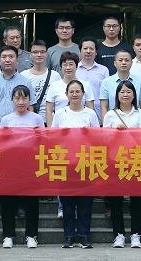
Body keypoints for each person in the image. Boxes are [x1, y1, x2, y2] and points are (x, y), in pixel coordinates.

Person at [52, 80, 99, 249]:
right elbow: (54, 137)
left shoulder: (90, 114)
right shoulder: (60, 113)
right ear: (66, 94)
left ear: (83, 94)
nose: (74, 94)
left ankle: (84, 235)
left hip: (86, 162)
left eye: (78, 91)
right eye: (71, 92)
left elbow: (97, 137)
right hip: (66, 162)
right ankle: (69, 236)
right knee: (67, 203)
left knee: (85, 203)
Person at [102, 80, 141, 249]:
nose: (125, 94)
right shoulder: (110, 115)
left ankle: (136, 234)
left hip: (136, 159)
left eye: (129, 91)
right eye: (122, 92)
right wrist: (116, 133)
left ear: (134, 95)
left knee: (137, 200)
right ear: (117, 95)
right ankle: (119, 234)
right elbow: (104, 139)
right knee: (116, 200)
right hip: (116, 160)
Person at [0, 85, 43, 249]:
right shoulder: (6, 119)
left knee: (32, 201)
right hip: (10, 165)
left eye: (24, 98)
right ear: (12, 100)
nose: (21, 102)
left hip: (31, 164)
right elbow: (1, 142)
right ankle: (8, 235)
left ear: (29, 100)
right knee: (8, 201)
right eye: (17, 98)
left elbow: (43, 141)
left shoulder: (36, 119)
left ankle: (31, 235)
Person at [0, 46, 33, 127]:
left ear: (17, 60)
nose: (7, 60)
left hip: (19, 126)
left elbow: (30, 107)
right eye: (4, 57)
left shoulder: (26, 82)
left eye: (11, 57)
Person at [45, 52, 94, 127]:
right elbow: (49, 110)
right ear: (61, 67)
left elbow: (90, 108)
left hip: (82, 126)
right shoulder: (54, 86)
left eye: (71, 64)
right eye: (65, 65)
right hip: (61, 127)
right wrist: (51, 130)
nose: (68, 68)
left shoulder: (86, 85)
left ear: (76, 66)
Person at [20, 39, 61, 120]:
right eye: (35, 52)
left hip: (50, 120)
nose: (39, 55)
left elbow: (58, 99)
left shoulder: (55, 75)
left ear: (46, 54)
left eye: (42, 52)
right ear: (30, 54)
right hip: (29, 120)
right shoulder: (23, 75)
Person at [98, 49, 141, 118]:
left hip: (136, 121)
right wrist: (105, 123)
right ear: (115, 63)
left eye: (127, 60)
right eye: (120, 60)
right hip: (113, 120)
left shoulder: (139, 81)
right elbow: (104, 107)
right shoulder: (106, 82)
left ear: (131, 63)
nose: (124, 63)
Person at [77, 38, 109, 104]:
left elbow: (107, 92)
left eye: (91, 49)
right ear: (80, 51)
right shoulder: (74, 69)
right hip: (78, 108)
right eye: (85, 48)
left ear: (96, 52)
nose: (88, 51)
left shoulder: (104, 70)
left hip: (98, 108)